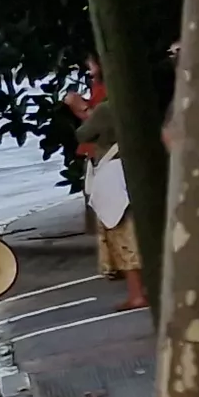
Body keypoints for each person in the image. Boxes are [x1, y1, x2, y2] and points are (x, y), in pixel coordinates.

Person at [70, 79, 147, 311]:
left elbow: (83, 134)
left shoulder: (105, 109)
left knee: (123, 238)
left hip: (113, 173)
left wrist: (81, 111)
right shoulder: (139, 102)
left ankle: (137, 294)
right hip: (135, 171)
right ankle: (146, 289)